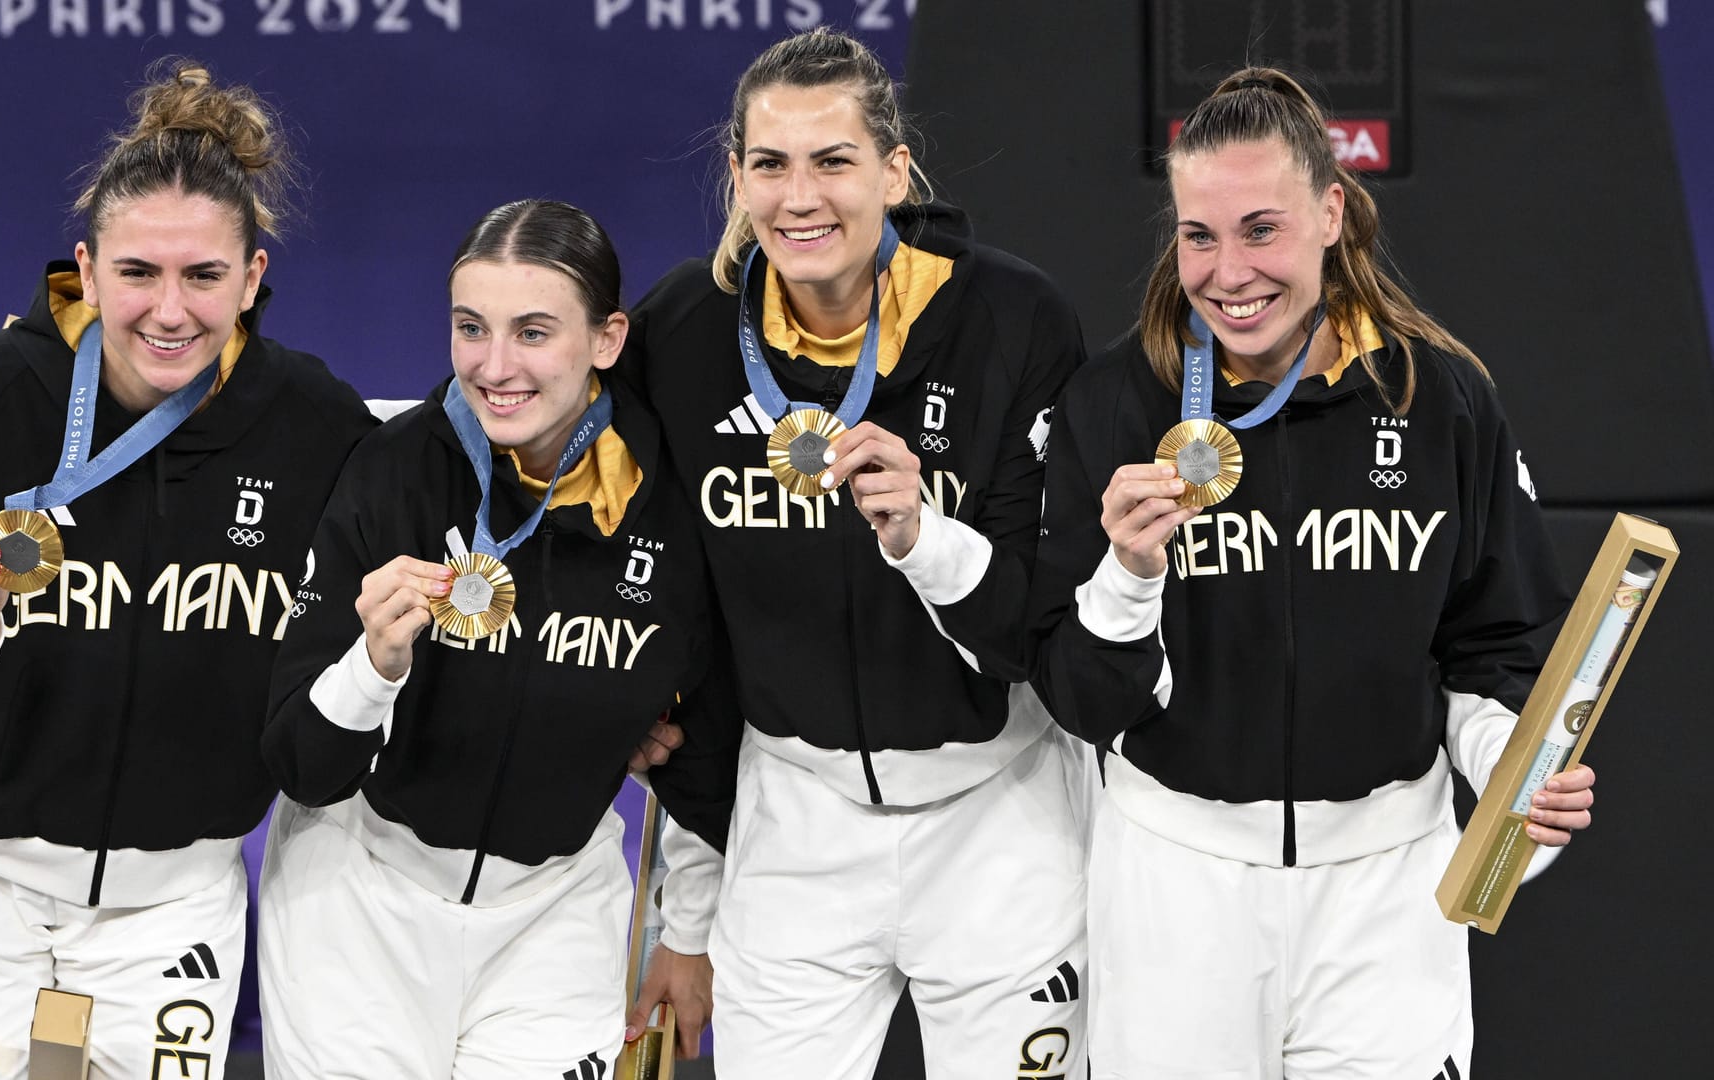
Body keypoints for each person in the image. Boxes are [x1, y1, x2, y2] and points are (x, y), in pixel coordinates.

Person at [1029, 66, 1595, 1078]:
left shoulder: (1440, 399)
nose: (1227, 270)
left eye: (1261, 229)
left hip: (1387, 893)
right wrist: (1125, 575)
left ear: (1331, 212)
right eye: (1198, 235)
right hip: (1175, 884)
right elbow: (1079, 699)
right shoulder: (1115, 406)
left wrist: (1512, 763)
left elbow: (1489, 649)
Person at [0, 59, 379, 1078]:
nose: (169, 311)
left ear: (252, 278)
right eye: (138, 273)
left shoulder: (317, 429)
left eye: (204, 276)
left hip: (172, 893)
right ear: (86, 267)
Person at [620, 27, 1090, 1080]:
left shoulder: (1013, 318)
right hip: (792, 820)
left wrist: (928, 539)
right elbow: (673, 616)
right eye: (770, 164)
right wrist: (684, 914)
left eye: (833, 161)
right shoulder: (684, 333)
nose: (801, 198)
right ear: (736, 177)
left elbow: (1039, 619)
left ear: (895, 169)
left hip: (1000, 815)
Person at [255, 198, 738, 1080]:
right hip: (359, 904)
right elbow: (301, 761)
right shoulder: (395, 471)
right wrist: (372, 667)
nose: (495, 366)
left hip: (555, 916)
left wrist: (688, 931)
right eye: (471, 328)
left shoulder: (671, 504)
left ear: (607, 339)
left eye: (533, 331)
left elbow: (703, 743)